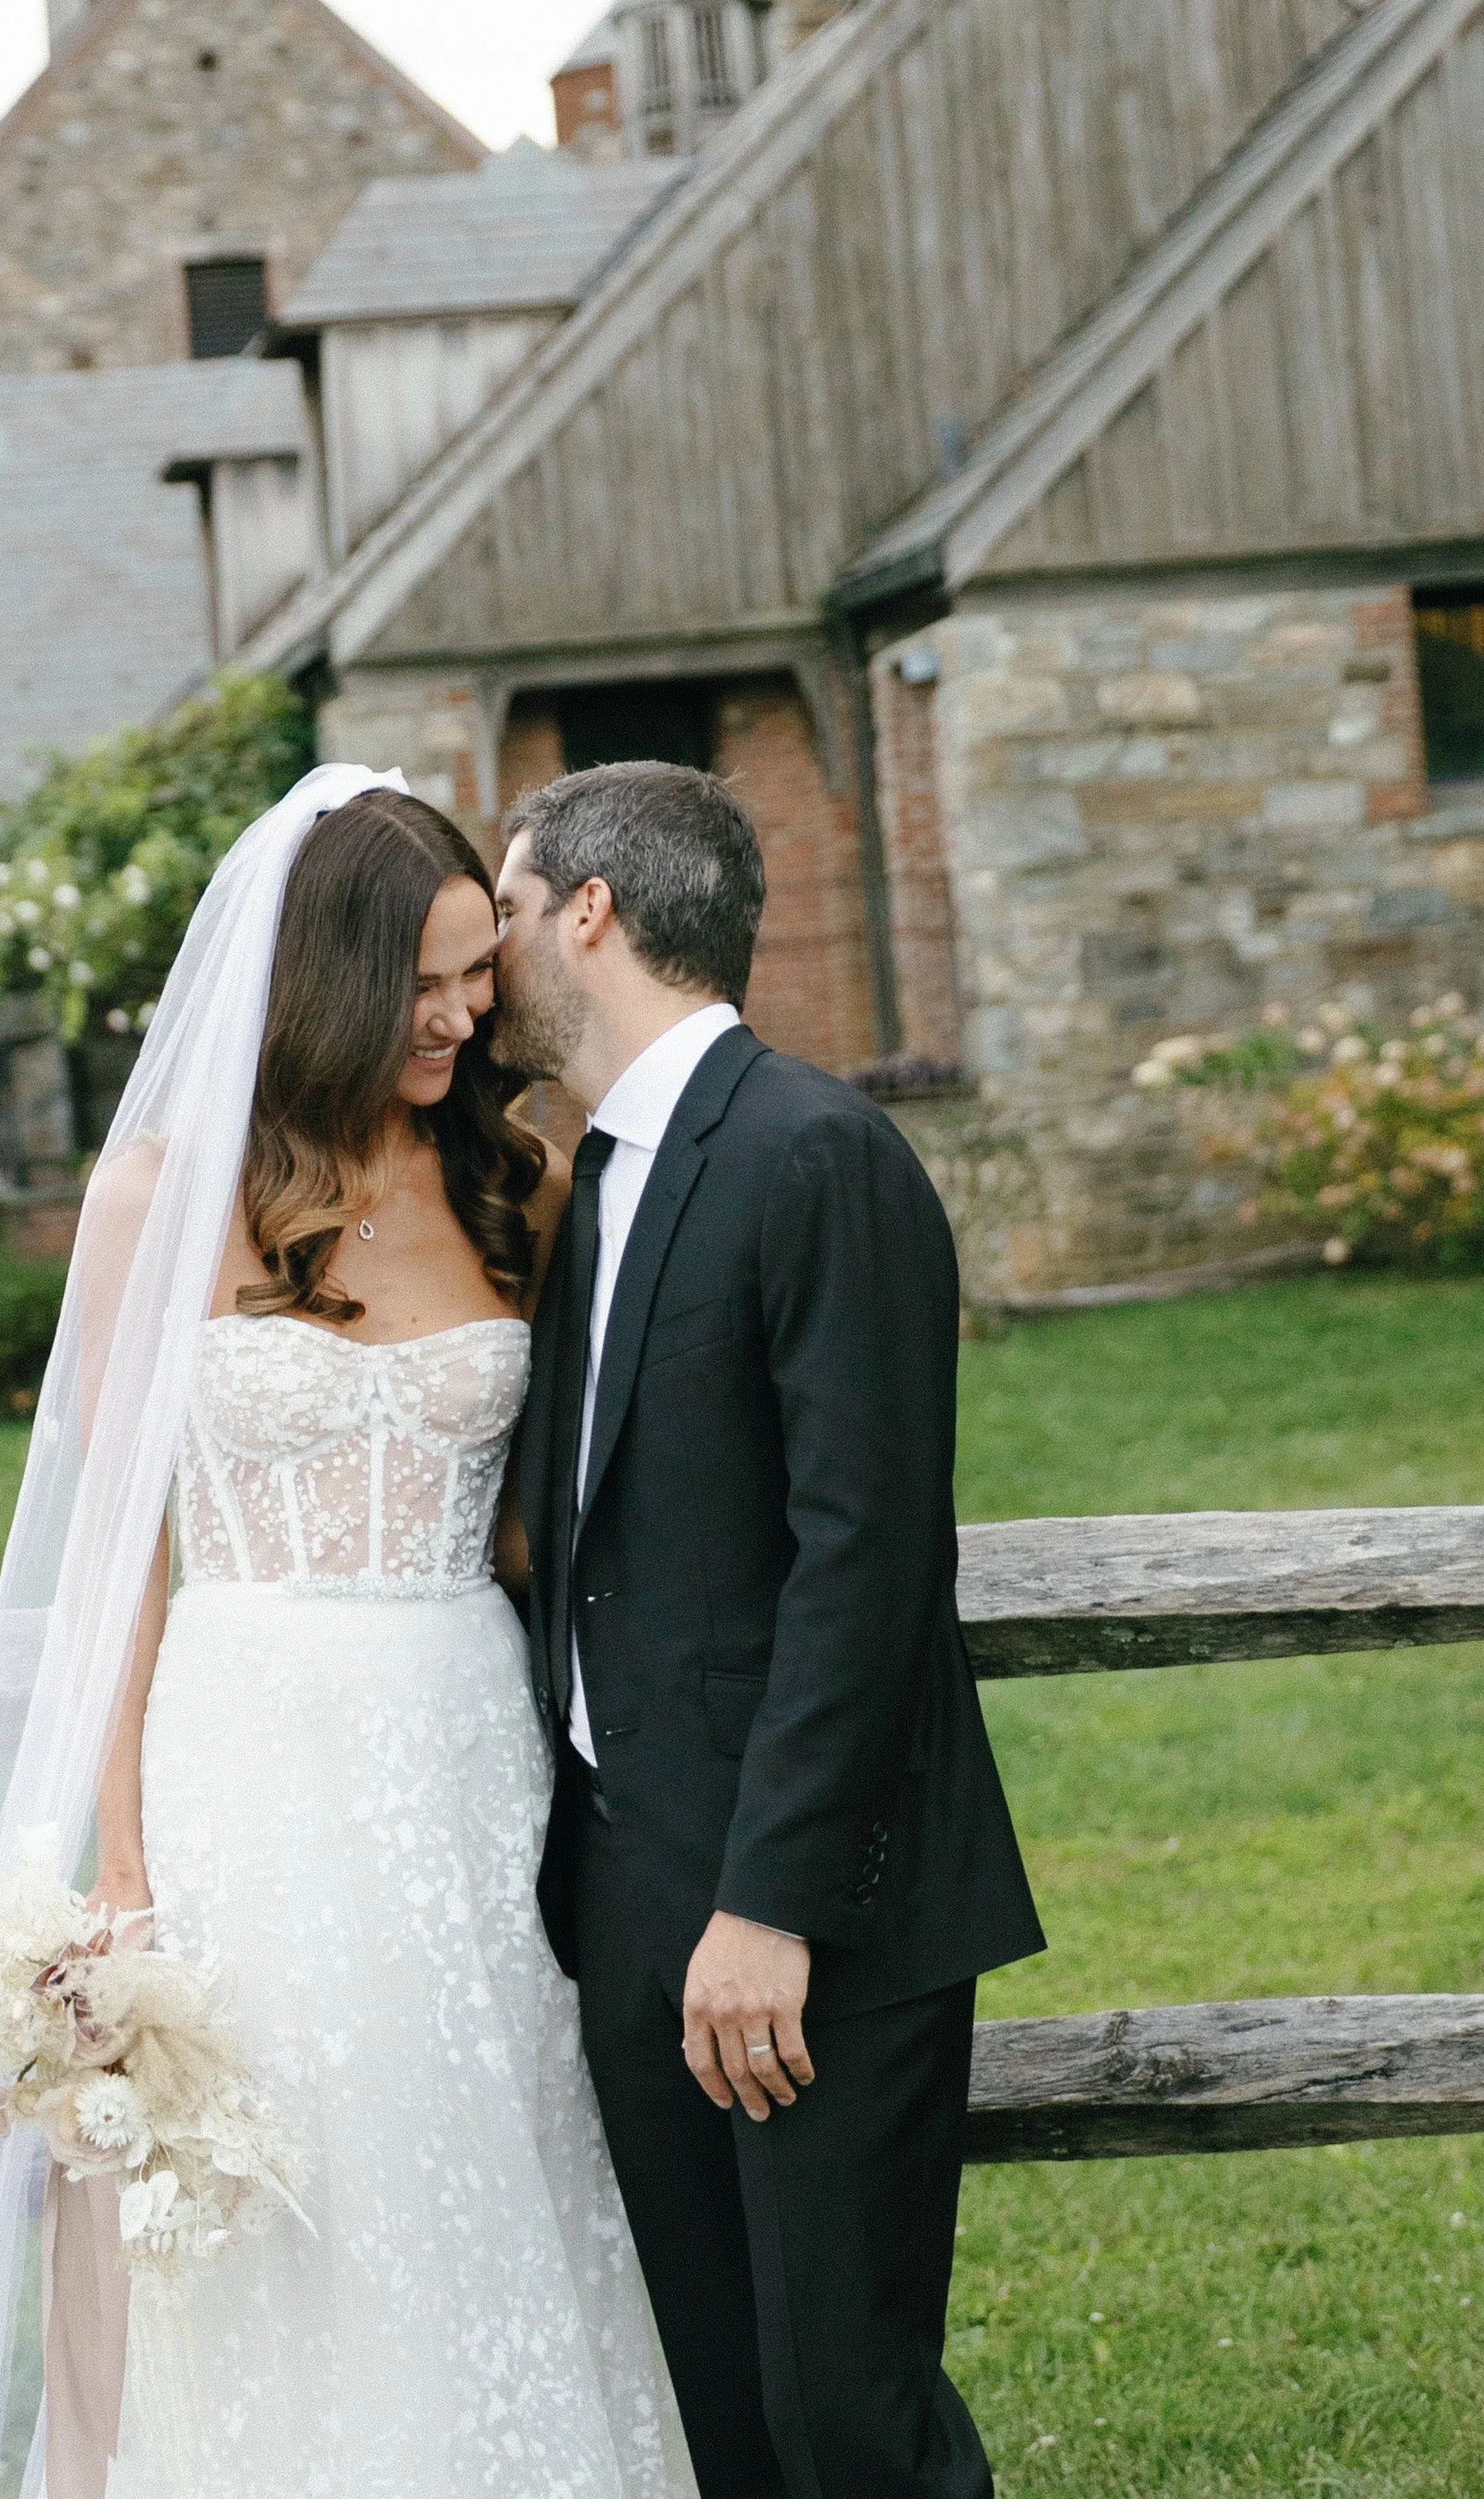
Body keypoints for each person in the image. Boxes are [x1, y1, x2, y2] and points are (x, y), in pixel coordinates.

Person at [46, 783, 695, 2495]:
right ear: (318, 977)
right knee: (279, 2167)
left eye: (480, 972)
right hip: (244, 1753)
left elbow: (555, 1501)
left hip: (464, 1738)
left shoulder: (522, 1178)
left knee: (475, 2139)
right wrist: (120, 1870)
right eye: (424, 981)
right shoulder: (160, 1194)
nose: (465, 1013)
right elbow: (117, 1566)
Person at [493, 761, 1044, 2499]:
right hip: (637, 1891)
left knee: (841, 2421)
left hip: (804, 1916)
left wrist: (766, 1908)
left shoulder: (812, 1155)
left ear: (585, 913)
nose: (480, 957)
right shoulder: (605, 1177)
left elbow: (866, 1563)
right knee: (719, 2425)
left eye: (501, 914)